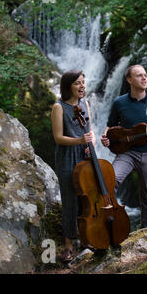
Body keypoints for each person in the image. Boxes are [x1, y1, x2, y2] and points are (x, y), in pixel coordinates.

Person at [101, 64, 147, 228]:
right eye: (139, 75)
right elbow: (110, 125)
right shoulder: (119, 102)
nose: (144, 78)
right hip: (127, 153)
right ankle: (110, 221)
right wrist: (105, 136)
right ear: (129, 80)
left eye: (145, 75)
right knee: (111, 180)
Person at [51, 70, 95, 262]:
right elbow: (58, 138)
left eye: (83, 82)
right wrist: (79, 140)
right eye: (78, 83)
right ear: (68, 86)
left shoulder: (85, 104)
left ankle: (87, 239)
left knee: (87, 197)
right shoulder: (58, 107)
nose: (82, 86)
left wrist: (89, 147)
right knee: (70, 200)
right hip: (67, 156)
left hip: (85, 155)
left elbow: (90, 132)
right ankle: (69, 245)